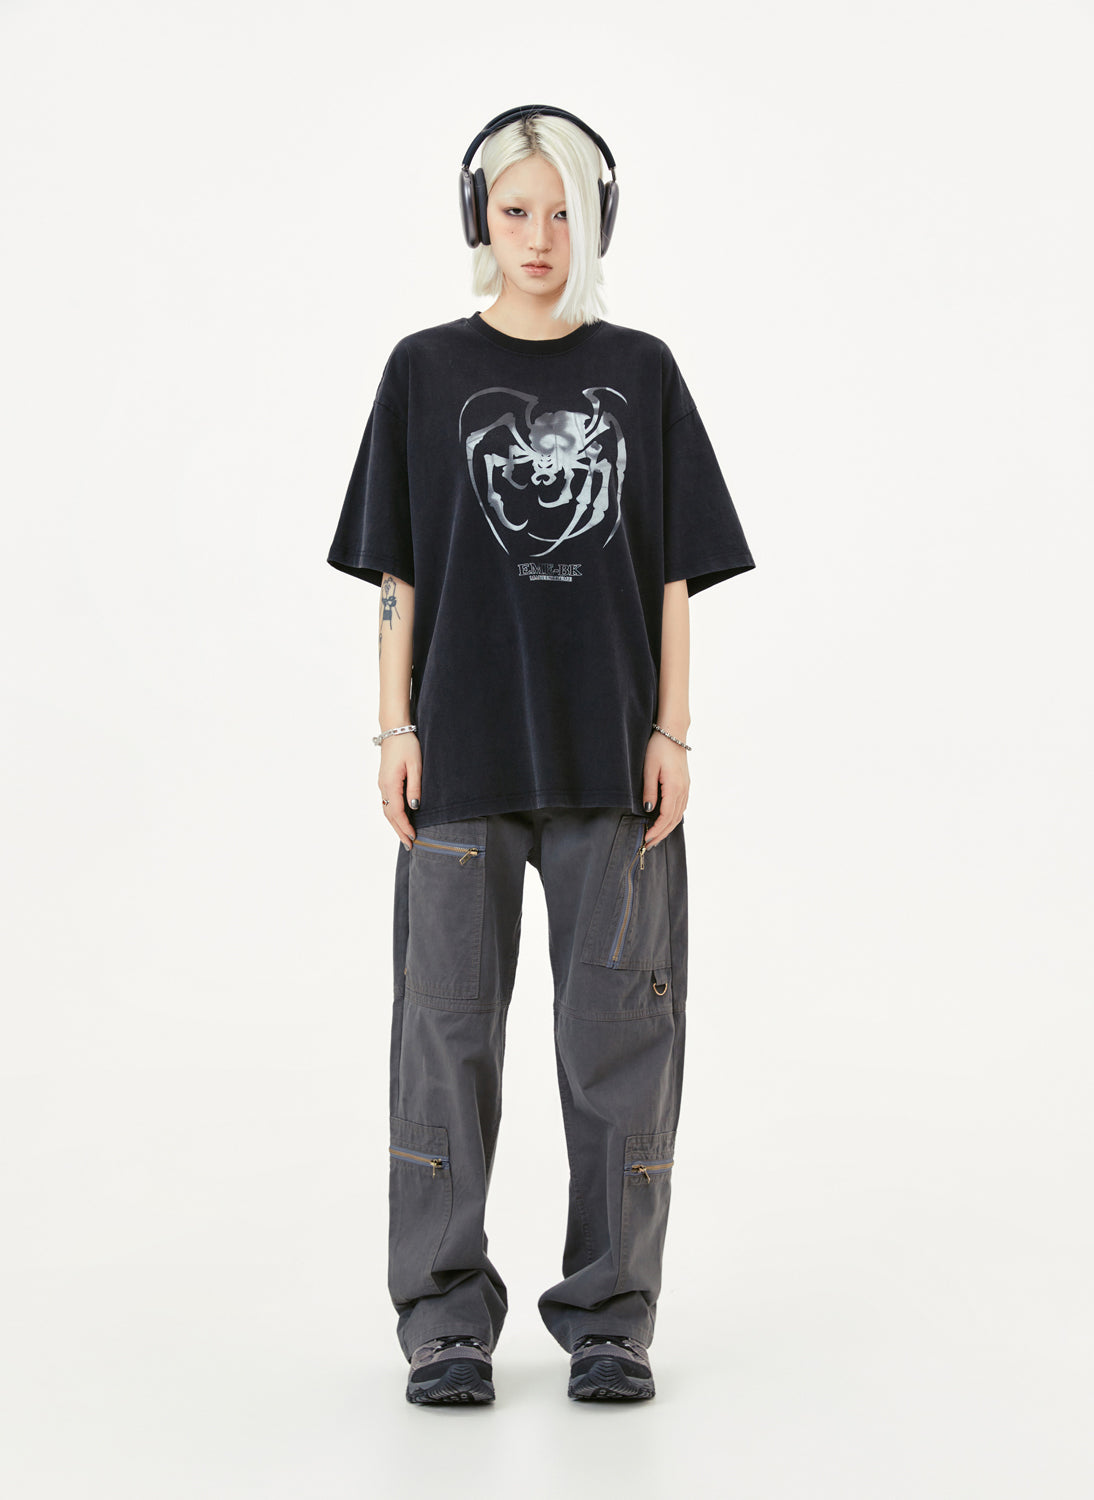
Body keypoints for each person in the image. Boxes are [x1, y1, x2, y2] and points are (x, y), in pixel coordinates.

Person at [327, 104, 756, 1405]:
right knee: (443, 1042)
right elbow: (396, 574)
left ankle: (611, 1317)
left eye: (564, 211)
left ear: (599, 218)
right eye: (516, 210)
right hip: (458, 762)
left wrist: (672, 730)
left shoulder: (643, 370)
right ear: (479, 217)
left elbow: (673, 573)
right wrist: (393, 727)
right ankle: (444, 1320)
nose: (539, 237)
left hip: (612, 770)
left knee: (621, 1045)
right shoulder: (424, 371)